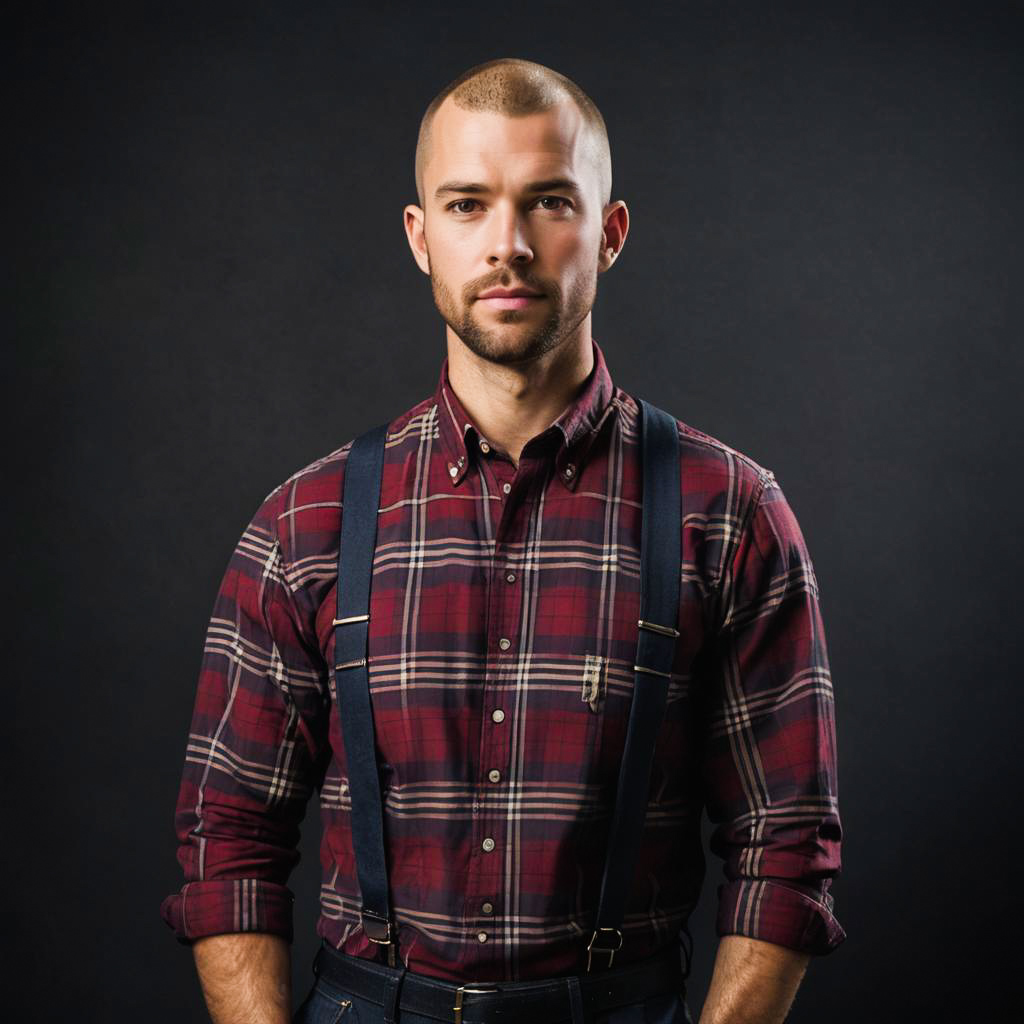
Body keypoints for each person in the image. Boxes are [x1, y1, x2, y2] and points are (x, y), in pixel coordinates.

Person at [161, 56, 846, 1024]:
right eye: (467, 204)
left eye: (548, 202)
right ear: (420, 236)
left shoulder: (727, 510)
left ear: (607, 233)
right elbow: (226, 837)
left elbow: (784, 842)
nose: (508, 245)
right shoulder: (304, 522)